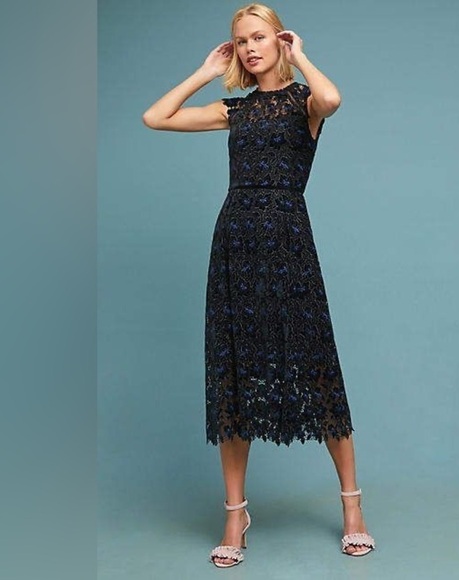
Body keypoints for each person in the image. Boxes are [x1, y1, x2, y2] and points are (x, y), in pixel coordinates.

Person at [142, 3, 375, 568]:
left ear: (280, 42)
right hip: (235, 243)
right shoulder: (236, 111)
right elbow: (156, 117)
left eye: (259, 37)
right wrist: (206, 71)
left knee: (318, 370)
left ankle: (352, 509)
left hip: (289, 240)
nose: (249, 48)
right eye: (241, 40)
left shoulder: (303, 104)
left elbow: (332, 99)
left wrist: (302, 56)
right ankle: (235, 515)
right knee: (235, 376)